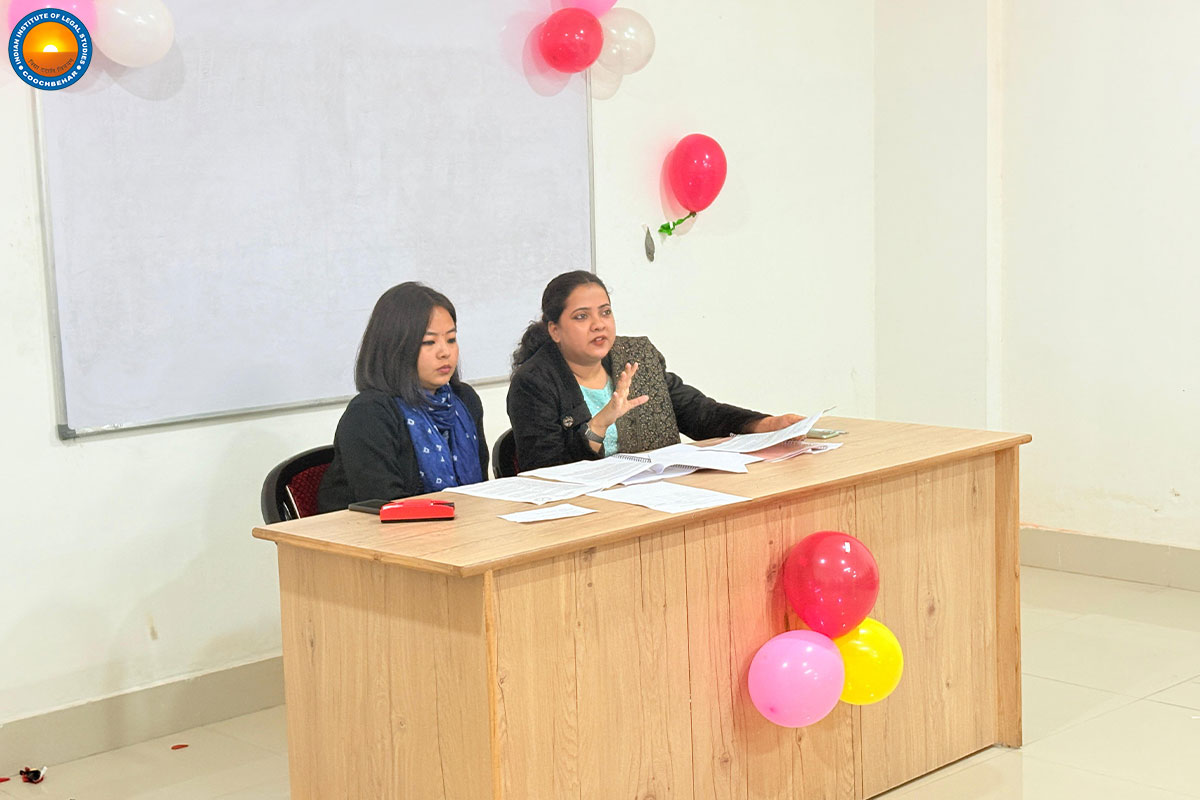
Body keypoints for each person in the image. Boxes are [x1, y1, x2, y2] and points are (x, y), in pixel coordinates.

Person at [506, 270, 802, 471]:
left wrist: (765, 424)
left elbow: (699, 413)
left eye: (605, 312)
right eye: (582, 317)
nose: (598, 324)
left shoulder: (636, 358)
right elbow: (544, 471)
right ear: (555, 330)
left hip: (656, 497)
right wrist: (598, 426)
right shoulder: (534, 383)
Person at [317, 282, 488, 512]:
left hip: (460, 526)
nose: (445, 352)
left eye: (451, 339)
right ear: (395, 347)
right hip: (377, 532)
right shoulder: (370, 413)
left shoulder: (463, 401)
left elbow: (481, 491)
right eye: (429, 342)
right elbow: (386, 505)